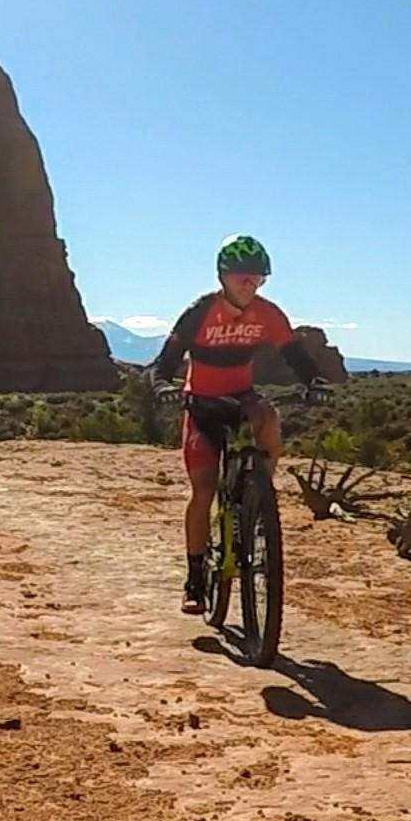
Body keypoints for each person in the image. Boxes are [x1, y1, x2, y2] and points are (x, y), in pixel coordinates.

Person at [150, 234, 329, 614]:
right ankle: (195, 579)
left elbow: (294, 353)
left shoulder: (268, 313)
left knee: (268, 416)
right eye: (242, 277)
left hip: (241, 398)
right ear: (223, 276)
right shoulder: (200, 312)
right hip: (202, 406)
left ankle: (259, 498)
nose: (250, 284)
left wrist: (314, 381)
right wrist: (163, 383)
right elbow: (165, 360)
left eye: (257, 278)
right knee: (203, 490)